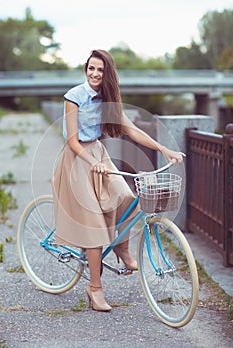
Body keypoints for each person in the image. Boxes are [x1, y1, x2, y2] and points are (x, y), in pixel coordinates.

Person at [52, 49, 184, 312]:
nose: (94, 73)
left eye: (100, 69)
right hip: (78, 159)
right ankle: (95, 288)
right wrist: (94, 163)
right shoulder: (74, 96)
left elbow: (131, 130)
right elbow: (72, 141)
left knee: (125, 196)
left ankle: (121, 248)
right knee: (93, 224)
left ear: (107, 73)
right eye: (91, 68)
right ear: (85, 69)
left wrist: (163, 149)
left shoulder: (108, 99)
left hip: (98, 153)